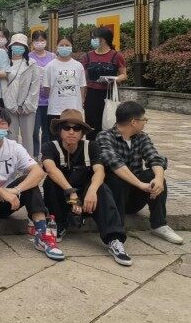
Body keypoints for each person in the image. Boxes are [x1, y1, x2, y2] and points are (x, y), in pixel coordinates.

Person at [0, 107, 64, 263]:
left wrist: (16, 190)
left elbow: (38, 172)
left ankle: (42, 233)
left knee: (30, 182)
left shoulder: (15, 147)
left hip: (9, 201)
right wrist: (2, 192)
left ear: (8, 126)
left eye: (2, 123)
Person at [42, 109, 131, 265]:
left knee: (102, 187)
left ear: (82, 132)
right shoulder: (50, 147)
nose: (71, 132)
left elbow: (99, 170)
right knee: (50, 181)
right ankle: (59, 225)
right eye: (67, 127)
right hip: (64, 198)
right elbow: (51, 169)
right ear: (60, 130)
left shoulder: (91, 146)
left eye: (76, 128)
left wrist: (92, 190)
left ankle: (114, 239)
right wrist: (71, 194)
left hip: (88, 201)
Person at [98, 101, 183, 244]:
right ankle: (117, 228)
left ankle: (160, 225)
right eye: (144, 120)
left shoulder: (142, 137)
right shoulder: (105, 136)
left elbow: (154, 157)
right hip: (114, 199)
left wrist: (158, 178)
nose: (145, 123)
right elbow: (114, 163)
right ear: (134, 122)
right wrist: (140, 184)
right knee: (116, 177)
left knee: (153, 175)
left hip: (135, 198)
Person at [81, 27, 127, 140]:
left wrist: (114, 79)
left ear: (104, 39)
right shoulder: (88, 56)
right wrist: (82, 97)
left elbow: (124, 75)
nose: (93, 40)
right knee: (91, 124)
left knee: (109, 122)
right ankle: (92, 147)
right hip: (92, 94)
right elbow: (83, 78)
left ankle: (108, 146)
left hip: (109, 93)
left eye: (95, 37)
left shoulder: (116, 56)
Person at [2, 34, 40, 156]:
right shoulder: (5, 63)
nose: (18, 47)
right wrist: (12, 105)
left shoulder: (32, 64)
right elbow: (4, 87)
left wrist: (26, 105)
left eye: (21, 45)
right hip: (10, 107)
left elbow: (35, 86)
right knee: (11, 137)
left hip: (27, 108)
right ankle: (11, 162)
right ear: (10, 46)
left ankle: (28, 164)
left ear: (25, 47)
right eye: (15, 44)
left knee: (28, 137)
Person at [43, 36, 87, 123]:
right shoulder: (50, 66)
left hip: (74, 110)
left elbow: (82, 86)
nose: (64, 47)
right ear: (57, 47)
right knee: (56, 132)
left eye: (67, 45)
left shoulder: (78, 65)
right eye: (61, 45)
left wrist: (81, 102)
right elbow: (46, 87)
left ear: (71, 47)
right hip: (55, 110)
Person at [28, 30, 56, 159]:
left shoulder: (52, 57)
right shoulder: (28, 57)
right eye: (36, 40)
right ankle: (34, 155)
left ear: (46, 41)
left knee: (47, 130)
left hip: (50, 101)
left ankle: (45, 155)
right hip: (34, 101)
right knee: (34, 130)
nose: (39, 43)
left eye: (42, 40)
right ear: (32, 42)